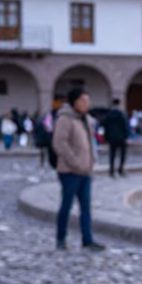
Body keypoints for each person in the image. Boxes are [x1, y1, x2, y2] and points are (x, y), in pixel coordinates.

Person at [52, 87, 104, 251]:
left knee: (86, 207)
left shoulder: (86, 119)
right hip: (69, 171)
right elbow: (60, 143)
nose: (86, 104)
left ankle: (87, 240)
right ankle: (61, 239)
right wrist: (74, 162)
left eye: (87, 101)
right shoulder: (65, 119)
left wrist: (90, 162)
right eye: (83, 101)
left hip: (86, 170)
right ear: (74, 102)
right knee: (66, 206)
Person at [102, 98, 129, 177]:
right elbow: (125, 126)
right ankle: (120, 169)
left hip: (111, 137)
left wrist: (106, 137)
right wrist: (126, 136)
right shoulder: (121, 114)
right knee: (122, 154)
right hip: (121, 137)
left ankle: (111, 170)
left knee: (112, 154)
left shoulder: (108, 115)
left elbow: (104, 125)